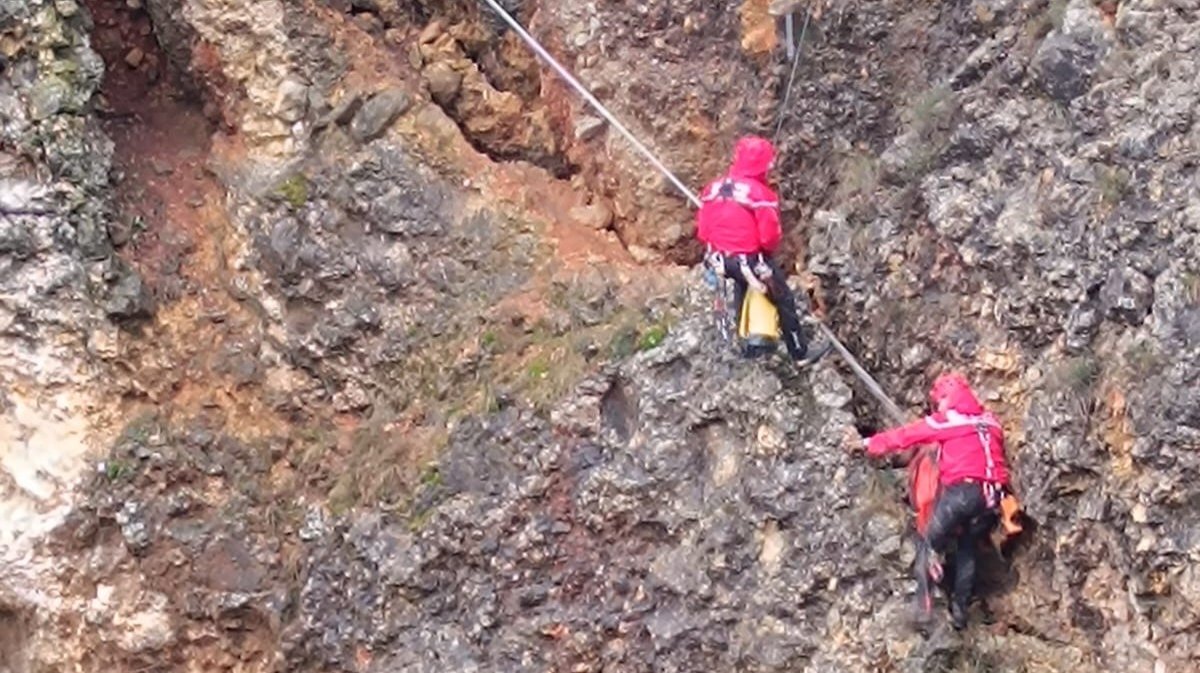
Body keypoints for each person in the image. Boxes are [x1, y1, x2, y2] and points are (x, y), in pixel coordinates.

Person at [858, 372, 1012, 631]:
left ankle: (924, 608)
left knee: (928, 544)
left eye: (938, 401)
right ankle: (960, 614)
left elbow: (906, 436)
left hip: (963, 493)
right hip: (992, 499)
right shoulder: (990, 421)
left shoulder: (948, 420)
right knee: (967, 548)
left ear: (946, 398)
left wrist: (867, 443)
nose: (937, 406)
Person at [695, 135, 824, 365]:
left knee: (742, 288)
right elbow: (769, 237)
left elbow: (704, 232)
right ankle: (799, 352)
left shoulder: (712, 190)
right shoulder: (761, 195)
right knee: (782, 298)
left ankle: (746, 345)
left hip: (719, 261)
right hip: (749, 261)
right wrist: (763, 252)